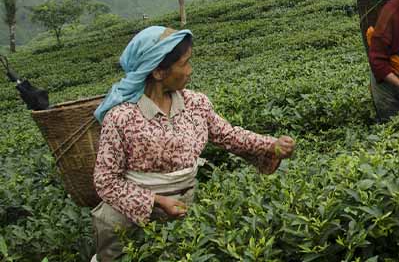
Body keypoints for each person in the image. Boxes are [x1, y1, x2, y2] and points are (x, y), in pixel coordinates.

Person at [91, 26, 295, 261]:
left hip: (183, 209)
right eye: (184, 63)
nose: (190, 70)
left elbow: (228, 135)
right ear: (158, 71)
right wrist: (155, 201)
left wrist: (271, 145)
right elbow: (106, 181)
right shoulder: (121, 118)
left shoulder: (196, 103)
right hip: (127, 220)